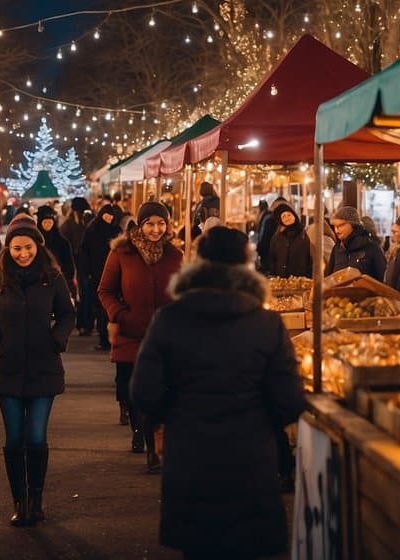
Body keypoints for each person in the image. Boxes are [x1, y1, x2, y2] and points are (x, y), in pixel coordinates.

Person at [131, 227, 304, 560]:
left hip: (190, 458)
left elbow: (144, 392)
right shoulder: (267, 325)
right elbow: (288, 401)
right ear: (245, 266)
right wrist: (260, 421)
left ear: (198, 264)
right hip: (251, 462)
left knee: (200, 549)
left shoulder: (168, 319)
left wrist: (176, 416)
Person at [0, 215, 76, 527]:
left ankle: (36, 498)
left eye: (28, 247)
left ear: (37, 246)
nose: (23, 253)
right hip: (8, 368)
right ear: (8, 249)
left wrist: (57, 339)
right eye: (16, 248)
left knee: (35, 437)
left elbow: (68, 314)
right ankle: (19, 500)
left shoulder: (52, 277)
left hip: (45, 367)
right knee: (14, 439)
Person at [99, 200, 184, 474]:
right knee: (138, 393)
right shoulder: (122, 252)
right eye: (150, 223)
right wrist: (120, 315)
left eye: (161, 223)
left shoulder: (174, 254)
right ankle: (147, 441)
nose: (156, 229)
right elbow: (105, 291)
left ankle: (157, 446)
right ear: (140, 224)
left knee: (163, 392)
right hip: (133, 334)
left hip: (166, 336)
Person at [83, 204, 122, 353]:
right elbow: (85, 251)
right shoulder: (92, 230)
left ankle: (112, 338)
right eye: (106, 215)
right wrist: (87, 271)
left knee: (112, 307)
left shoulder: (116, 231)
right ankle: (103, 338)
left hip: (115, 275)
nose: (109, 218)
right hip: (97, 275)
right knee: (100, 308)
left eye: (111, 216)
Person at [328, 205, 387, 280]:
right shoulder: (337, 249)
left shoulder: (371, 248)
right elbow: (330, 277)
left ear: (353, 225)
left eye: (341, 225)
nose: (336, 231)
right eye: (335, 226)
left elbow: (382, 278)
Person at [59, 197, 91, 332]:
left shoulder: (83, 222)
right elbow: (66, 247)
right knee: (80, 294)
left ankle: (82, 323)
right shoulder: (69, 225)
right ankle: (80, 322)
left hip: (82, 264)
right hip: (75, 265)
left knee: (83, 294)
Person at [36, 205, 77, 297]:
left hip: (59, 281)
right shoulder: (36, 241)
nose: (47, 225)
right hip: (40, 283)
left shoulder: (62, 242)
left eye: (50, 222)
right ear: (40, 223)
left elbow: (69, 264)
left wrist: (66, 280)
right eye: (45, 222)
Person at [267, 202, 311, 277]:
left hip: (301, 279)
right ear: (281, 220)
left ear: (294, 216)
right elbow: (272, 258)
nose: (287, 218)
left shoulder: (305, 234)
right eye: (283, 216)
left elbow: (310, 258)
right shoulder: (277, 237)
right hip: (281, 280)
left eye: (289, 215)